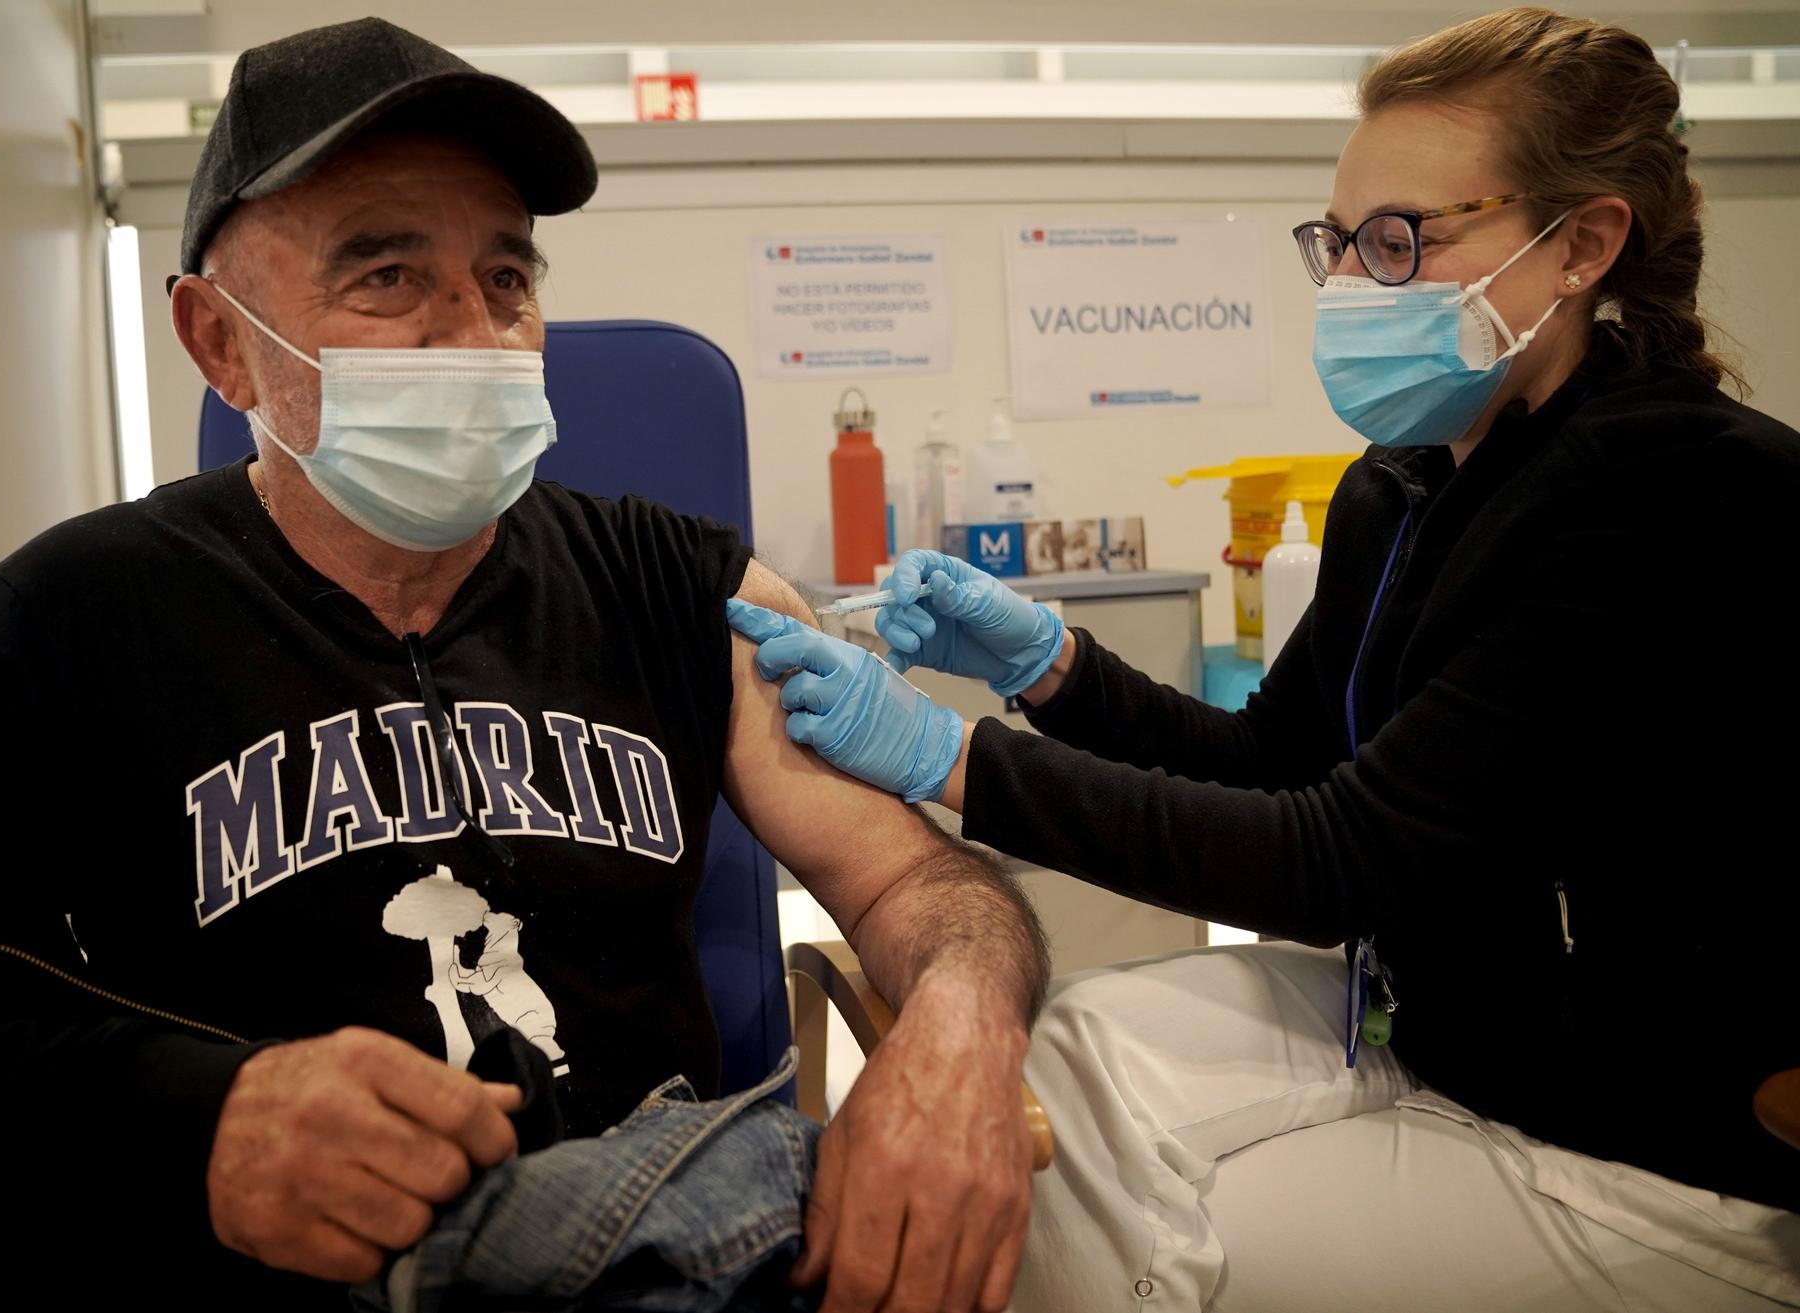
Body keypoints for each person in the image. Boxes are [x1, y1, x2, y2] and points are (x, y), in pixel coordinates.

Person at [0, 18, 1049, 1311]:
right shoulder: (79, 616)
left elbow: (920, 883)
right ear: (223, 344)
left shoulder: (682, 590)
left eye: (506, 278)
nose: (474, 334)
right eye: (387, 275)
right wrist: (199, 1117)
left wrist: (957, 1031)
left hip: (676, 1237)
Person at [728, 8, 1799, 1309]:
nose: (1354, 282)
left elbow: (1333, 861)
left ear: (1581, 243)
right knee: (1051, 1060)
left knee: (1083, 1212)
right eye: (1340, 242)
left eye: (1403, 240)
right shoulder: (1406, 483)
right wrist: (1053, 665)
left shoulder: (1676, 491)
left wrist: (948, 758)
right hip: (1441, 1024)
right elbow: (1274, 757)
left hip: (1647, 1144)